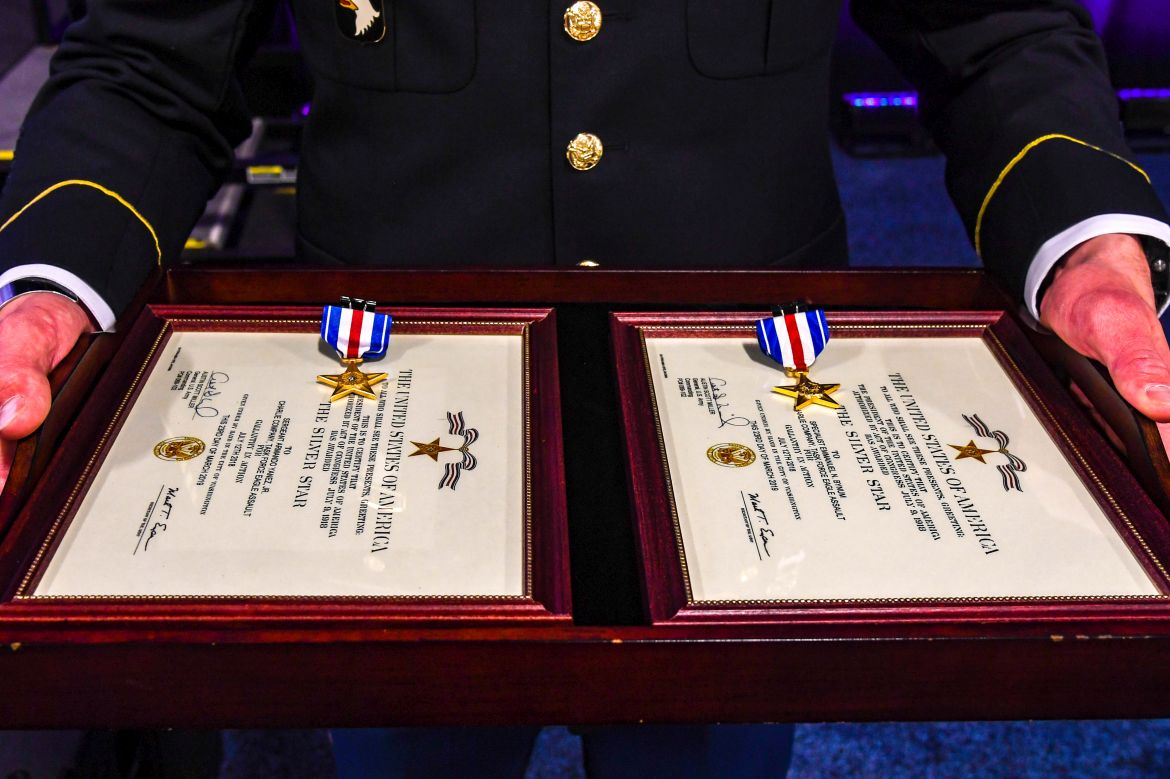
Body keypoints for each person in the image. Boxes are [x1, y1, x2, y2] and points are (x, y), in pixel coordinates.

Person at [0, 1, 1167, 776]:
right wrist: (49, 291)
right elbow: (149, 63)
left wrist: (1087, 248)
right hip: (387, 430)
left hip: (755, 429)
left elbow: (994, 31)